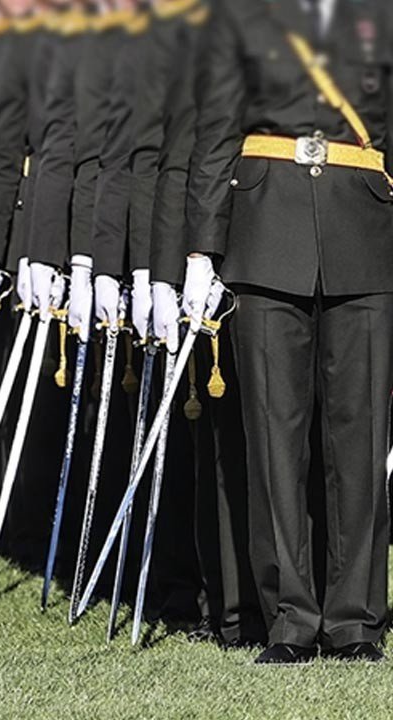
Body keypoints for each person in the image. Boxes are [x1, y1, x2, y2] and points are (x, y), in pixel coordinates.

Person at [185, 0, 393, 665]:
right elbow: (216, 129)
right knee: (273, 441)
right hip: (267, 233)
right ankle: (290, 619)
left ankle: (356, 620)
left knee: (360, 441)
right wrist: (202, 250)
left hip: (366, 232)